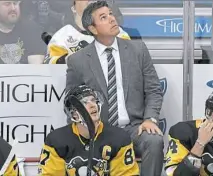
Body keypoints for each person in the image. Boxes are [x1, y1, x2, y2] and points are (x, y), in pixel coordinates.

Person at [66, 1, 164, 176]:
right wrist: (85, 130)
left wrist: (150, 119)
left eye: (111, 14)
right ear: (93, 28)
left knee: (154, 140)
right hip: (99, 131)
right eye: (104, 17)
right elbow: (72, 101)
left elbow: (153, 89)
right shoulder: (78, 61)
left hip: (134, 128)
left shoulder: (138, 50)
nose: (112, 19)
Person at [38, 85, 140, 175]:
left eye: (93, 100)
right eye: (84, 102)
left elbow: (127, 174)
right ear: (74, 114)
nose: (92, 105)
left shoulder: (119, 138)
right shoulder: (56, 140)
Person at [43, 0, 131, 64]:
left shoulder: (117, 32)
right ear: (73, 8)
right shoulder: (61, 37)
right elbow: (50, 67)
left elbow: (130, 60)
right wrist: (70, 59)